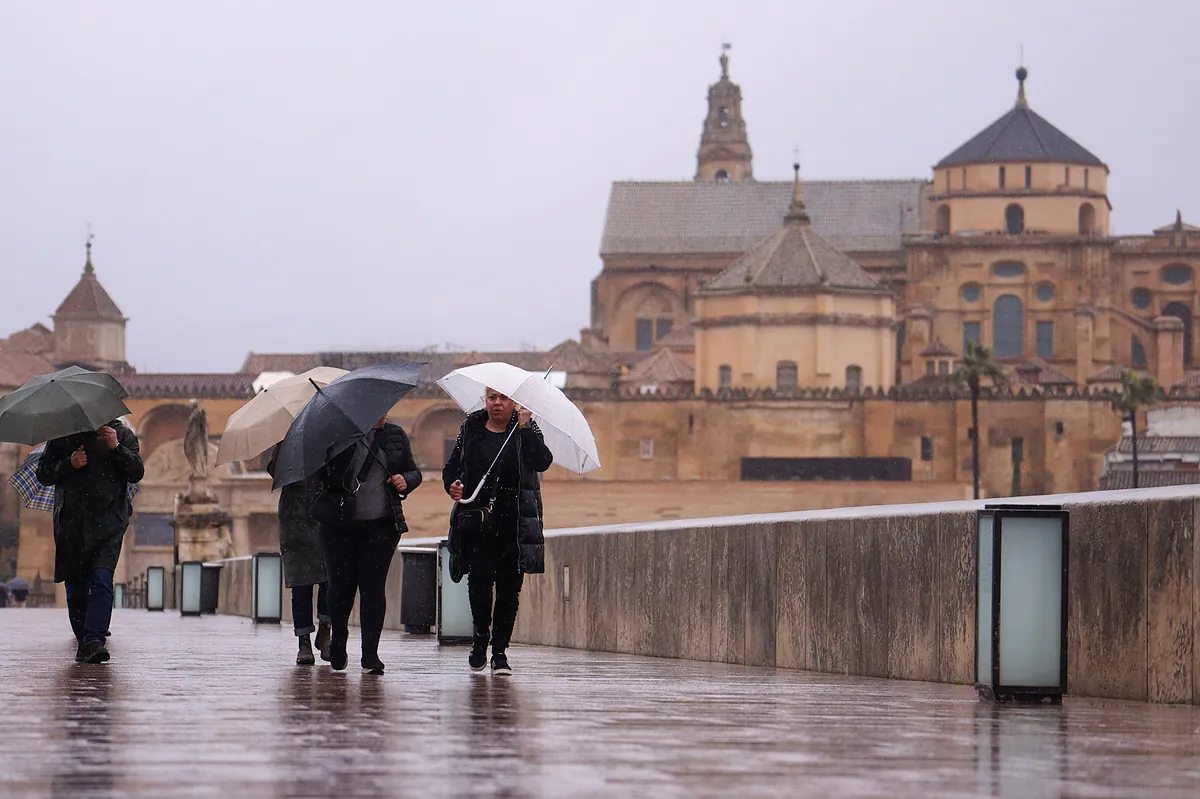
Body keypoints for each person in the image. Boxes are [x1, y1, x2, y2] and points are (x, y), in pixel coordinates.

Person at [443, 388, 553, 676]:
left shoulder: (526, 428)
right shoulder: (470, 428)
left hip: (514, 524)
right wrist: (452, 485)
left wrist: (526, 427)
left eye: (503, 398)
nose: (497, 403)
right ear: (485, 400)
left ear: (514, 402)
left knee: (509, 591)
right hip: (478, 522)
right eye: (492, 397)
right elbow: (453, 466)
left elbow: (542, 461)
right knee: (478, 584)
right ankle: (481, 636)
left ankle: (500, 652)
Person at [313, 416, 421, 675]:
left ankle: (370, 655)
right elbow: (321, 477)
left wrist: (405, 480)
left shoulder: (395, 436)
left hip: (381, 525)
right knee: (340, 589)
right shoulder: (336, 436)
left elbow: (413, 471)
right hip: (339, 527)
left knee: (373, 589)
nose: (379, 414)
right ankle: (338, 641)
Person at [35, 420, 144, 664]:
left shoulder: (122, 435)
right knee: (76, 590)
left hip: (109, 525)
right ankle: (85, 639)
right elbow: (43, 473)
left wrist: (116, 447)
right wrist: (69, 464)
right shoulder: (62, 437)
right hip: (72, 526)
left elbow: (136, 471)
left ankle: (94, 640)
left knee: (102, 580)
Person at [266, 447, 331, 666]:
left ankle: (325, 630)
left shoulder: (331, 439)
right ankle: (303, 641)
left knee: (329, 581)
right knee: (301, 586)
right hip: (295, 522)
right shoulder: (288, 442)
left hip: (325, 517)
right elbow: (275, 472)